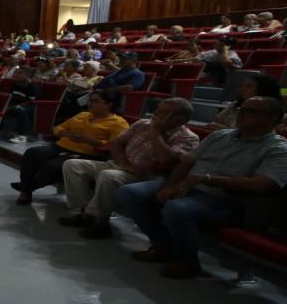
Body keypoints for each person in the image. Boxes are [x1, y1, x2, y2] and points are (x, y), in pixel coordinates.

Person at [117, 96, 287, 279]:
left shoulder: (278, 149)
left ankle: (187, 261)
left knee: (176, 208)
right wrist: (170, 185)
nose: (240, 114)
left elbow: (260, 185)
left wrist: (206, 179)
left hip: (230, 200)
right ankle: (163, 245)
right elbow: (186, 163)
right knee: (130, 192)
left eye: (250, 111)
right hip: (190, 186)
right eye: (241, 109)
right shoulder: (220, 135)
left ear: (272, 118)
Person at [59, 98, 199, 238]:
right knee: (72, 165)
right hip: (121, 165)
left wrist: (156, 132)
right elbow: (117, 143)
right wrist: (124, 164)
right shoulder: (143, 123)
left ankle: (101, 223)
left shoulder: (188, 138)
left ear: (178, 120)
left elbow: (164, 159)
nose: (155, 113)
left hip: (146, 175)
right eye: (157, 109)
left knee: (108, 175)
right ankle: (85, 212)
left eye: (162, 112)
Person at [13, 92, 129, 205]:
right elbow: (57, 129)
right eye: (90, 100)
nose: (90, 103)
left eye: (96, 101)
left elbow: (113, 146)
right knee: (32, 152)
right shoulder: (82, 115)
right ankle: (26, 188)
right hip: (61, 146)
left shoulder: (118, 123)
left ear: (109, 104)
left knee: (53, 166)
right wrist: (66, 134)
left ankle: (25, 189)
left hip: (86, 153)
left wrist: (88, 140)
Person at [205, 74, 282, 130]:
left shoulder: (274, 113)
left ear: (263, 89)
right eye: (243, 85)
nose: (242, 89)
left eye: (249, 86)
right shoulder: (235, 104)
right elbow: (218, 120)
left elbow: (254, 134)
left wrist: (222, 129)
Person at [4, 72, 38, 144]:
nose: (16, 75)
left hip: (30, 107)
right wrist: (7, 106)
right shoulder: (16, 85)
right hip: (16, 105)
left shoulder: (32, 87)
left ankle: (22, 135)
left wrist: (15, 106)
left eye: (19, 73)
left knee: (20, 110)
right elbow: (11, 98)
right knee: (3, 107)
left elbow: (31, 102)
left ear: (27, 75)